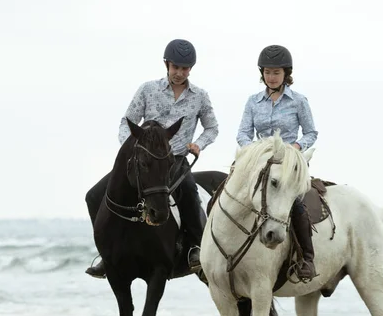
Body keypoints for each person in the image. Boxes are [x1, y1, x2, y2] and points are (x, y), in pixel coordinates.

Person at [85, 39, 219, 278]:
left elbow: (212, 128)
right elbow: (126, 122)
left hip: (175, 161)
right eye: (175, 67)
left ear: (191, 69)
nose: (179, 73)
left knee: (190, 194)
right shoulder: (147, 89)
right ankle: (106, 254)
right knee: (93, 196)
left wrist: (198, 144)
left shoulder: (200, 96)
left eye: (184, 68)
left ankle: (197, 249)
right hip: (143, 163)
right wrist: (132, 150)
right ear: (166, 64)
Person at [236, 44, 318, 280]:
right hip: (259, 162)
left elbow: (311, 133)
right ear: (262, 73)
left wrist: (296, 147)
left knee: (295, 204)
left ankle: (307, 259)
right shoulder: (253, 102)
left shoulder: (299, 101)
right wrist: (254, 151)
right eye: (268, 72)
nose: (271, 77)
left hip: (289, 164)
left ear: (286, 74)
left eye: (277, 73)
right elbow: (242, 133)